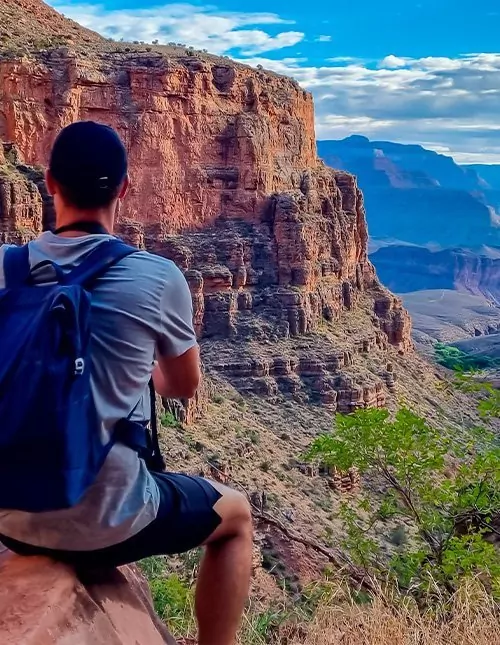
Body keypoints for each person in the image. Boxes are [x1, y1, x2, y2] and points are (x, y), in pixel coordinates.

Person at [0, 121, 253, 645]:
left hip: (8, 515)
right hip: (107, 521)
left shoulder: (4, 268)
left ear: (48, 183)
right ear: (123, 187)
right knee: (237, 515)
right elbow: (183, 387)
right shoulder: (156, 276)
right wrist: (135, 366)